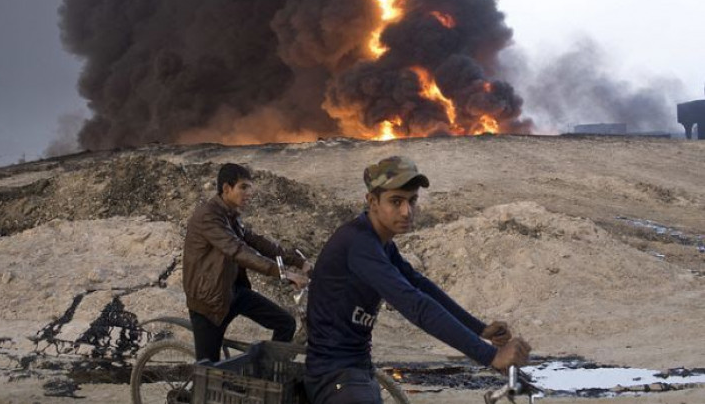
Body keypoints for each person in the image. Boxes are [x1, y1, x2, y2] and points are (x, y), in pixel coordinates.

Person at [305, 156, 531, 404]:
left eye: (412, 200)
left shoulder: (381, 244)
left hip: (355, 369)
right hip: (335, 377)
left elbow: (420, 286)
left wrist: (480, 329)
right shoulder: (359, 244)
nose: (407, 211)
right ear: (372, 201)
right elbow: (415, 305)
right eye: (396, 201)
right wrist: (491, 356)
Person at [182, 163, 310, 362]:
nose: (249, 192)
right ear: (226, 188)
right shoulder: (208, 216)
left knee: (285, 323)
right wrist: (283, 273)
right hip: (210, 302)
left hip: (233, 292)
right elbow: (238, 250)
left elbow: (256, 241)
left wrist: (298, 262)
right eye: (243, 187)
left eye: (250, 187)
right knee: (209, 370)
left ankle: (269, 372)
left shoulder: (230, 214)